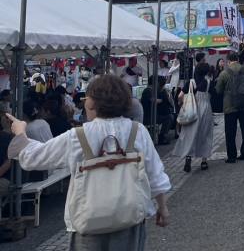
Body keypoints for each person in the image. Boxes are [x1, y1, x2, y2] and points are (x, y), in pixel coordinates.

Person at [8, 75, 170, 248]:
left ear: (93, 102)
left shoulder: (78, 136)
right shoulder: (138, 131)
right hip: (129, 218)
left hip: (90, 222)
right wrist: (162, 207)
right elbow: (154, 173)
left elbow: (34, 157)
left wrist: (20, 133)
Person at [173, 63, 214, 173]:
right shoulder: (209, 82)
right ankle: (204, 161)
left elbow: (180, 96)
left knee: (190, 134)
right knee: (205, 134)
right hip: (206, 109)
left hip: (192, 111)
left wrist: (181, 104)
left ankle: (188, 158)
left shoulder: (190, 82)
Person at [215, 52, 244, 163]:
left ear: (228, 61)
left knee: (230, 132)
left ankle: (232, 156)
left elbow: (218, 90)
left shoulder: (224, 73)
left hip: (229, 106)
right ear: (238, 59)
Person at [141, 76, 172, 146]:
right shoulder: (147, 91)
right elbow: (153, 100)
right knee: (168, 118)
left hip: (151, 115)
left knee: (167, 116)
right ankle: (162, 137)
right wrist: (162, 100)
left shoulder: (150, 90)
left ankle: (162, 136)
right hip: (148, 117)